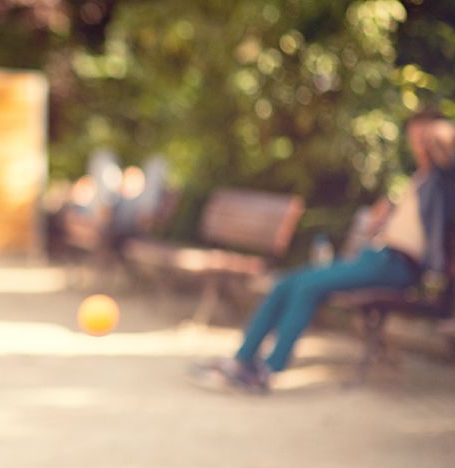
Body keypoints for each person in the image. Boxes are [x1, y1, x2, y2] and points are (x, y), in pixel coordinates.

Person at [190, 108, 455, 394]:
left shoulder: (443, 176)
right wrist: (386, 216)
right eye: (414, 137)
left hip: (397, 265)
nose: (420, 143)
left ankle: (267, 370)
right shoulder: (421, 178)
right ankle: (241, 362)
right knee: (285, 283)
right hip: (376, 257)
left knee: (306, 287)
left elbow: (447, 152)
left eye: (426, 136)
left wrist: (437, 133)